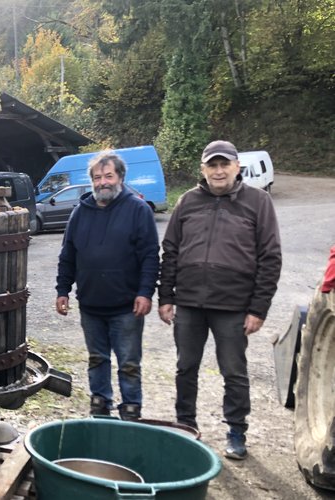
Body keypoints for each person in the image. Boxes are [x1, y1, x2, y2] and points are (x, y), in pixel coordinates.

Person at [159, 140, 282, 460]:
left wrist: (258, 308)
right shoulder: (187, 201)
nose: (218, 170)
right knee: (186, 368)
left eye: (224, 164)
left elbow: (270, 257)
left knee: (234, 371)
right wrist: (166, 297)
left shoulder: (258, 201)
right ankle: (186, 426)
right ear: (203, 169)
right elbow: (170, 251)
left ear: (236, 167)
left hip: (233, 306)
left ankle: (236, 431)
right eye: (212, 165)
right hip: (189, 304)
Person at [55, 151, 159, 421]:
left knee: (129, 363)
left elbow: (150, 255)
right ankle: (100, 405)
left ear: (121, 178)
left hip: (126, 306)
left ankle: (131, 409)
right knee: (97, 359)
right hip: (90, 305)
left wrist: (145, 292)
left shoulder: (138, 210)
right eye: (98, 177)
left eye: (108, 176)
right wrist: (62, 290)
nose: (103, 182)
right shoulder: (80, 213)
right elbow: (68, 255)